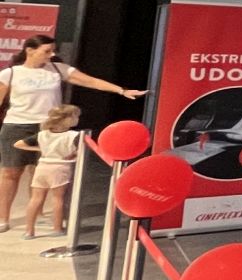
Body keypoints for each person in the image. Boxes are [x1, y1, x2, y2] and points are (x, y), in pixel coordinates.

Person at [0, 36, 146, 233]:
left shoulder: (58, 69)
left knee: (40, 171)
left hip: (49, 128)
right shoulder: (10, 73)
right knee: (10, 173)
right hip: (17, 125)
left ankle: (38, 214)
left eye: (53, 50)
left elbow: (91, 81)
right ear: (30, 50)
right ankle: (3, 217)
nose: (51, 54)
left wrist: (121, 90)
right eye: (46, 51)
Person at [12, 103, 82, 239]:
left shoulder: (42, 134)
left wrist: (41, 149)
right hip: (60, 168)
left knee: (35, 199)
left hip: (42, 167)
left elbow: (18, 144)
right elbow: (81, 151)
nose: (77, 119)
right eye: (75, 116)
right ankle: (57, 228)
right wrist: (74, 154)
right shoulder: (73, 135)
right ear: (67, 119)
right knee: (58, 199)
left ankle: (29, 231)